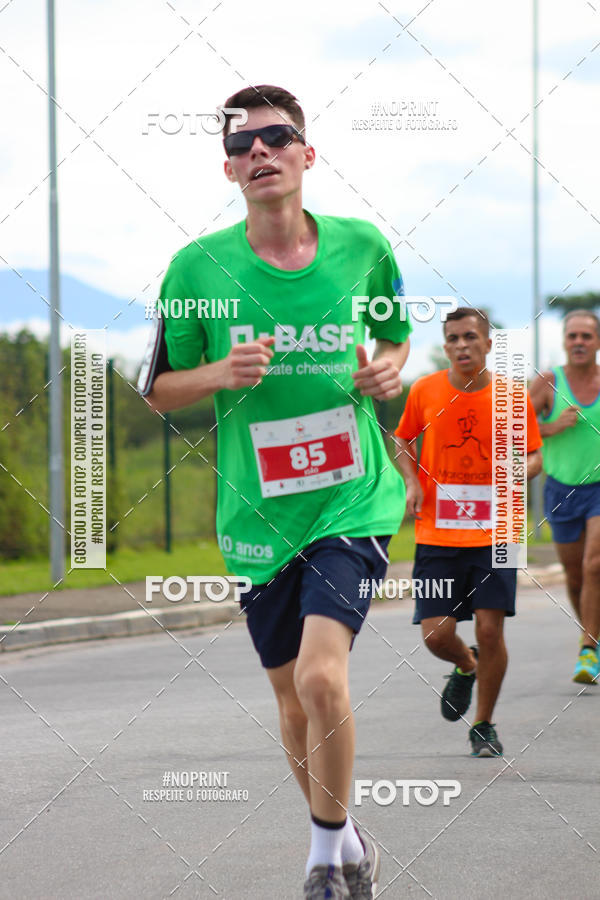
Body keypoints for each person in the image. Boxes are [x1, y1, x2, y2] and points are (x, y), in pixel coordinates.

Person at [139, 85, 411, 899]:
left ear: (306, 154)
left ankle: (324, 859)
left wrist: (390, 367)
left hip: (351, 499)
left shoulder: (363, 247)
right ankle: (346, 836)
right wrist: (220, 374)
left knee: (323, 680)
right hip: (256, 515)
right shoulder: (199, 267)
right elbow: (157, 387)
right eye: (245, 144)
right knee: (293, 704)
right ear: (229, 168)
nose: (261, 151)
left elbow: (395, 333)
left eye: (278, 136)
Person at [393, 308, 542, 756]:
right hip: (437, 532)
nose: (461, 345)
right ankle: (464, 664)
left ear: (488, 344)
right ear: (445, 345)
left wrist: (515, 472)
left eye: (470, 337)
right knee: (437, 635)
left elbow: (535, 457)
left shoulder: (513, 398)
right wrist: (411, 480)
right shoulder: (424, 390)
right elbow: (401, 439)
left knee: (492, 629)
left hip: (501, 531)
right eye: (453, 338)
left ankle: (483, 725)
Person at [529, 309, 600, 684]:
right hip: (560, 489)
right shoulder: (549, 383)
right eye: (572, 336)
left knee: (594, 566)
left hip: (599, 489)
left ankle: (588, 649)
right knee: (575, 576)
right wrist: (551, 426)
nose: (579, 343)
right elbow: (512, 425)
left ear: (597, 342)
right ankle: (591, 636)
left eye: (586, 336)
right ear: (564, 342)